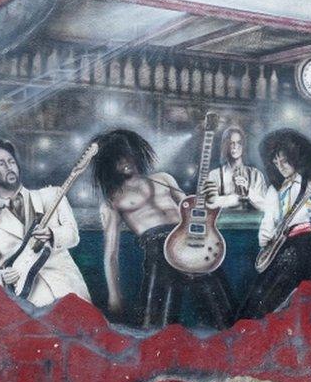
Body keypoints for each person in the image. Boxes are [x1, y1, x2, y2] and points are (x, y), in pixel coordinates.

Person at [93, 129, 236, 329]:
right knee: (157, 326)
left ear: (136, 153)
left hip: (190, 242)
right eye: (118, 160)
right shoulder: (112, 199)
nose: (125, 163)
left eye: (127, 156)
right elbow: (110, 253)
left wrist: (210, 197)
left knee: (225, 317)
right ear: (109, 165)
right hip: (157, 251)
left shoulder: (164, 179)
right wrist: (114, 296)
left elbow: (195, 211)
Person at [236, 128, 311, 319]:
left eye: (284, 160)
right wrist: (265, 236)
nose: (280, 166)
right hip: (287, 249)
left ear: (297, 155)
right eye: (276, 162)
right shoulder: (277, 190)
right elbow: (268, 223)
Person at [0, 138, 90, 307]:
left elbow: (73, 236)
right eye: (1, 164)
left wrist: (52, 234)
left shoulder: (52, 195)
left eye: (11, 161)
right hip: (27, 302)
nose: (9, 166)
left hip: (67, 289)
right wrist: (1, 277)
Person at [202, 126, 269, 211]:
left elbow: (265, 206)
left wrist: (248, 190)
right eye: (231, 143)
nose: (235, 146)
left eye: (239, 143)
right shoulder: (214, 175)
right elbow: (211, 204)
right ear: (225, 146)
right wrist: (236, 199)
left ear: (243, 146)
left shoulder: (256, 175)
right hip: (221, 222)